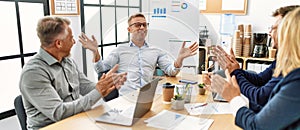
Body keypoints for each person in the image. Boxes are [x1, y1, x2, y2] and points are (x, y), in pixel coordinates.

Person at [19, 16, 127, 130]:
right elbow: (59, 113)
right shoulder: (33, 73)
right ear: (59, 43)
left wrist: (108, 84)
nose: (74, 42)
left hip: (74, 121)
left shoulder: (67, 62)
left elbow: (86, 87)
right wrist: (99, 90)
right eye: (71, 38)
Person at [212, 7, 300, 129]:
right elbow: (262, 88)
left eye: (276, 29)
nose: (270, 33)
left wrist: (234, 98)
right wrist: (236, 71)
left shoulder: (296, 81)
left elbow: (258, 122)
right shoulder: (286, 64)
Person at [79, 13, 198, 94]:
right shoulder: (120, 50)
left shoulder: (156, 51)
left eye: (144, 25)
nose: (142, 27)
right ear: (129, 29)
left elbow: (171, 71)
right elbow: (101, 69)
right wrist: (95, 51)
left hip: (146, 98)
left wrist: (180, 59)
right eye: (137, 25)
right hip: (126, 99)